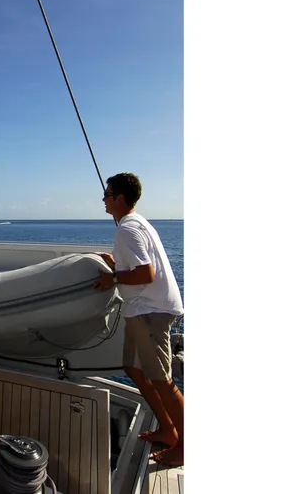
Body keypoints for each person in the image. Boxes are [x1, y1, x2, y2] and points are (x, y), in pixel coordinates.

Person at [92, 173, 184, 467]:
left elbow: (146, 274)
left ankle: (185, 443)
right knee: (133, 368)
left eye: (107, 195)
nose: (104, 200)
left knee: (162, 379)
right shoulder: (137, 224)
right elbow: (143, 266)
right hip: (141, 309)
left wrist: (114, 277)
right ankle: (168, 429)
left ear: (119, 198)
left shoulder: (127, 229)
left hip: (150, 311)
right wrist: (118, 264)